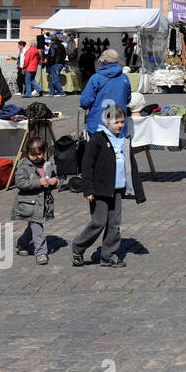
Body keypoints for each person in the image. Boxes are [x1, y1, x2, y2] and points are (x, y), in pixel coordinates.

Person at [70, 101, 143, 268]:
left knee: (114, 224)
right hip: (99, 189)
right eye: (116, 122)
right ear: (106, 122)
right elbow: (87, 165)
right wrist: (87, 188)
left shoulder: (124, 139)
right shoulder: (97, 139)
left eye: (122, 122)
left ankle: (109, 254)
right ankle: (78, 247)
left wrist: (136, 189)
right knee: (98, 222)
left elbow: (130, 164)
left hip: (117, 188)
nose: (119, 125)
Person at [13, 137, 57, 266]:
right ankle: (41, 252)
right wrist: (38, 182)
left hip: (42, 202)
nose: (36, 157)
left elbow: (53, 177)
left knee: (33, 226)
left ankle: (22, 243)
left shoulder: (47, 165)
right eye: (33, 154)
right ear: (27, 153)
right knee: (37, 227)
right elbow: (20, 183)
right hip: (29, 203)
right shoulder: (23, 165)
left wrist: (55, 182)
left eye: (39, 154)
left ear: (44, 152)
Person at [80, 49, 131, 138]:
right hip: (118, 125)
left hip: (98, 125)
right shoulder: (125, 78)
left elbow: (85, 102)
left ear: (105, 62)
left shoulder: (96, 78)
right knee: (119, 151)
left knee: (97, 151)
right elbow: (127, 99)